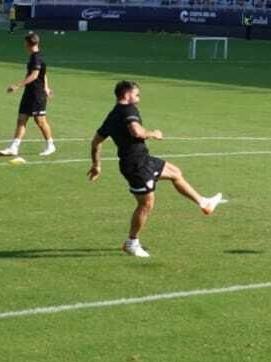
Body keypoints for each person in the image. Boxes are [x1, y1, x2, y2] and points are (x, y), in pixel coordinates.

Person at [88, 80, 223, 258]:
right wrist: (154, 134)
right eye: (137, 94)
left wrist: (97, 165)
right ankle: (132, 243)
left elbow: (96, 141)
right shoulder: (128, 110)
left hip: (142, 159)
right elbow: (136, 132)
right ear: (127, 95)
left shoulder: (112, 115)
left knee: (175, 173)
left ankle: (204, 203)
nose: (139, 97)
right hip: (136, 165)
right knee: (145, 204)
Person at [0, 33, 56, 158]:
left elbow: (35, 75)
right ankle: (14, 147)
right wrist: (47, 86)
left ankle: (50, 145)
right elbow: (43, 74)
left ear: (27, 43)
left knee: (40, 121)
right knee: (21, 119)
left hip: (37, 94)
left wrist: (17, 86)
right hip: (29, 93)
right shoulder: (35, 57)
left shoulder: (36, 58)